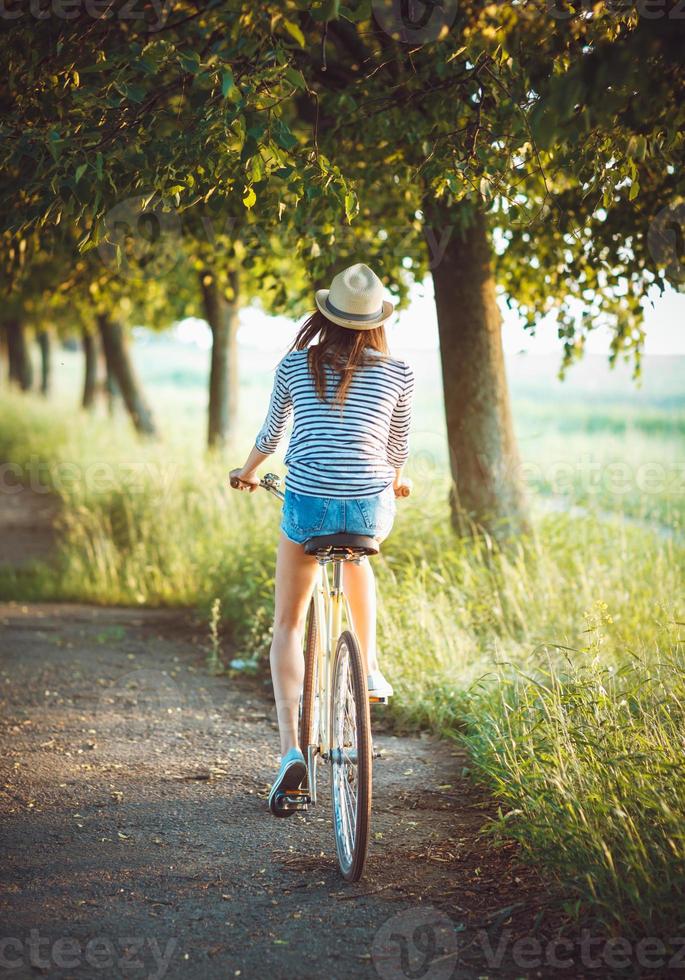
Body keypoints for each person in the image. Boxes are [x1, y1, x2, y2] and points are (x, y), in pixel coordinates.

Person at [229, 262, 414, 815]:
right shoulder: (399, 372)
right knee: (360, 556)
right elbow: (396, 445)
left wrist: (245, 471)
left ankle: (291, 751)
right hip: (367, 506)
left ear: (325, 315)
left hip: (306, 501)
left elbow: (270, 435)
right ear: (376, 322)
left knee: (287, 623)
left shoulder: (294, 363)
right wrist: (397, 478)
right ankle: (372, 666)